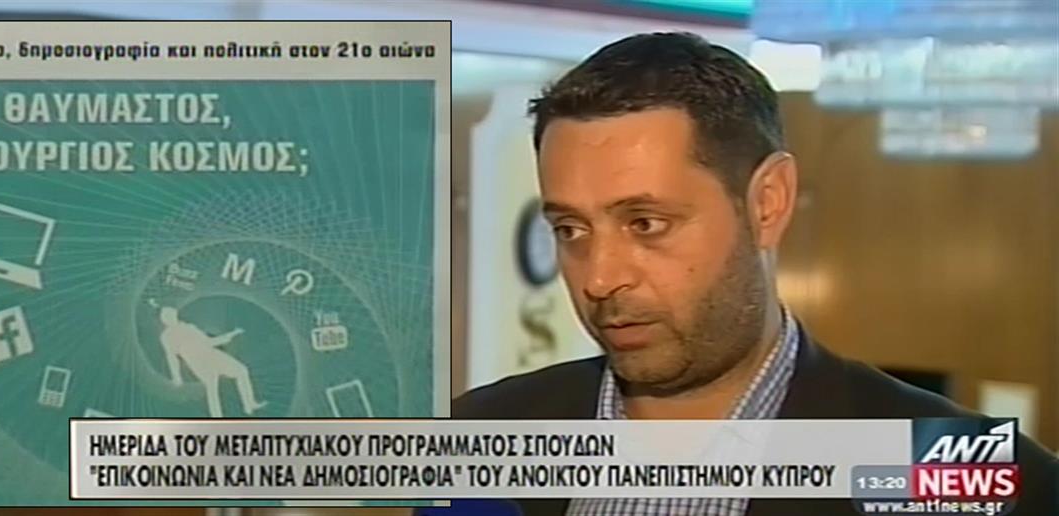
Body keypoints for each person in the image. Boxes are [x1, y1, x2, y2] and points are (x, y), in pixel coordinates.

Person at [451, 32, 1058, 515]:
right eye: (571, 230)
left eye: (645, 223)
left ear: (767, 203)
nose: (599, 279)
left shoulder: (962, 474)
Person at [153, 299, 267, 417]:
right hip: (198, 362)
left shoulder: (189, 327)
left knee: (241, 371)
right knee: (212, 387)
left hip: (212, 354)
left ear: (175, 314)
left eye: (170, 314)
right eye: (165, 316)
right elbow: (172, 357)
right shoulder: (167, 336)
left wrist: (230, 335)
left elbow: (208, 342)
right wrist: (177, 376)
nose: (168, 317)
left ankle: (249, 404)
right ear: (163, 320)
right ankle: (217, 418)